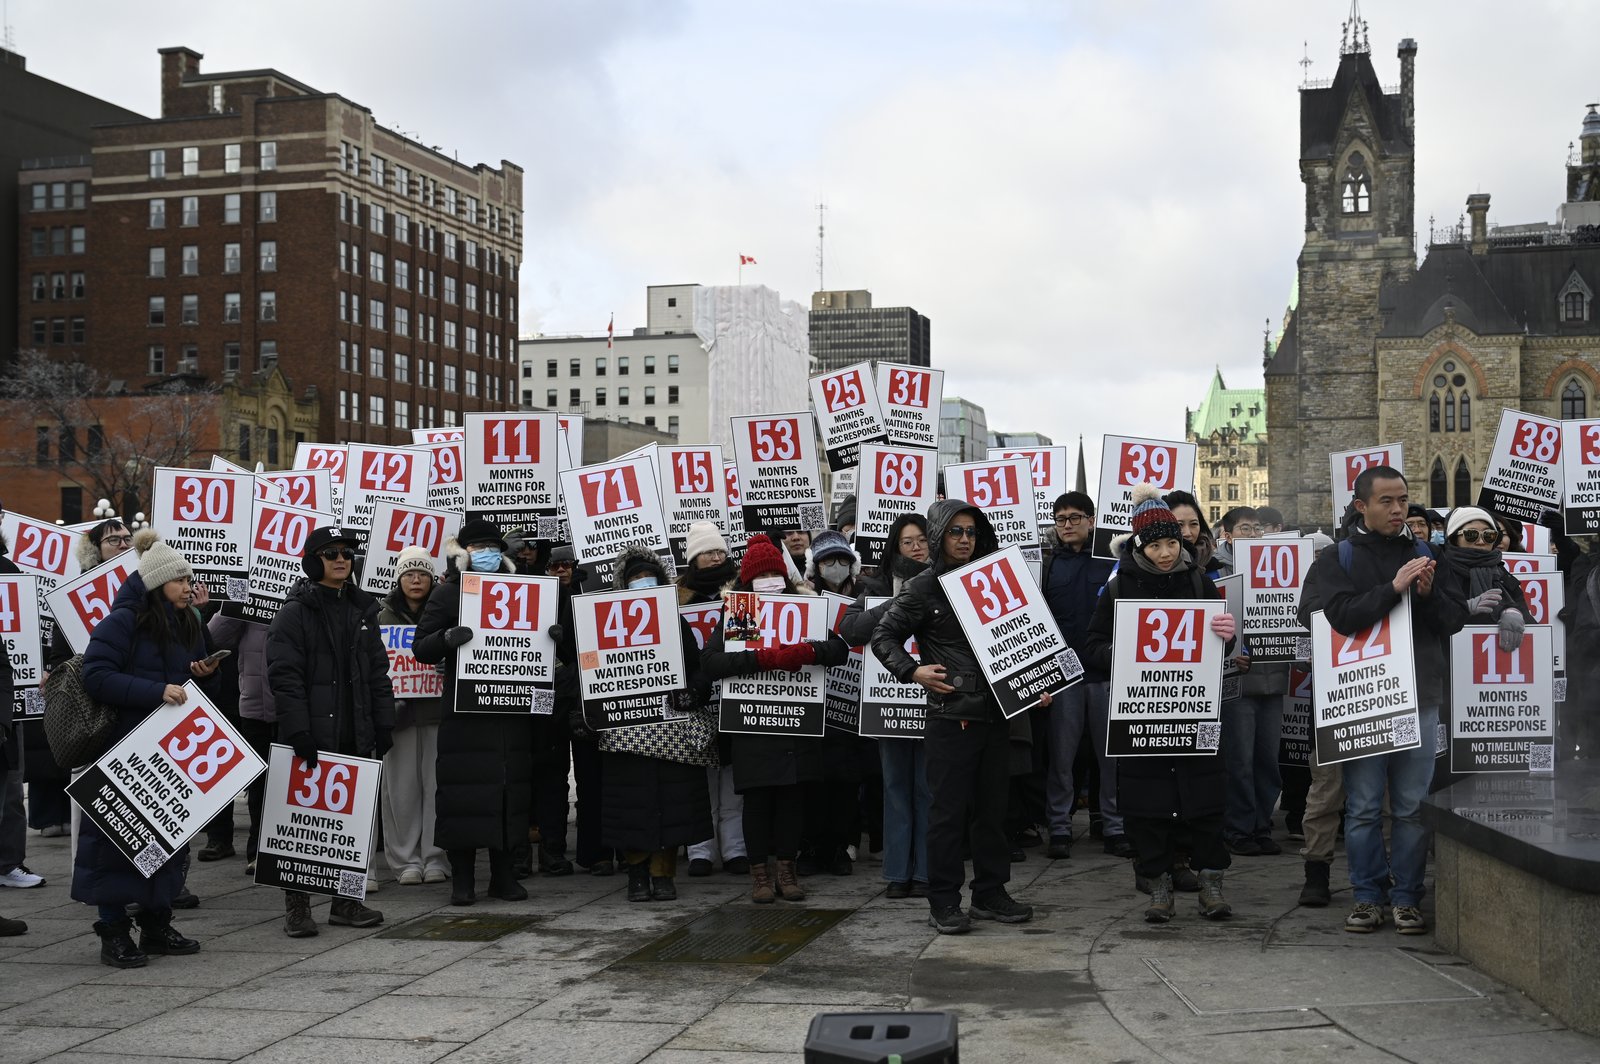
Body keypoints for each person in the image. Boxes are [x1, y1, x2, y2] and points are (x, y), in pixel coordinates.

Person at [1297, 466, 1468, 935]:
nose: (1398, 510)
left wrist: (1429, 595)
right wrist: (1393, 589)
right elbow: (1335, 619)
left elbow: (1454, 620)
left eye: (1403, 501)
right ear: (1361, 507)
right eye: (1387, 502)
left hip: (1421, 697)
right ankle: (1368, 896)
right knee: (1366, 805)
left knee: (1412, 806)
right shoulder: (1339, 559)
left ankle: (1407, 898)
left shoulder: (1429, 553)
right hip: (1364, 699)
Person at [872, 500, 1051, 934]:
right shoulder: (921, 588)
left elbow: (1024, 636)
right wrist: (912, 670)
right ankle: (944, 902)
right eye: (956, 532)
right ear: (938, 537)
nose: (965, 539)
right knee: (948, 815)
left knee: (993, 812)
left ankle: (990, 893)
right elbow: (882, 636)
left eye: (971, 531)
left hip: (999, 712)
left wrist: (1038, 679)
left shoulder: (996, 578)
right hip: (952, 717)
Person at [1083, 486, 1238, 923]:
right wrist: (1123, 655)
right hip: (1141, 712)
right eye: (1156, 544)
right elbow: (1092, 646)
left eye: (1172, 542)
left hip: (1194, 709)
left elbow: (1221, 651)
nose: (1166, 552)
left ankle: (1211, 883)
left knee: (1205, 797)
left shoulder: (1198, 581)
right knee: (1146, 803)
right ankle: (1160, 887)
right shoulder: (1118, 587)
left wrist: (1226, 636)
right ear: (1140, 546)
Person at [76, 530, 215, 966]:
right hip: (124, 752)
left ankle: (157, 925)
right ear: (157, 584)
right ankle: (113, 933)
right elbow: (95, 676)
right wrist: (157, 690)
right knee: (115, 845)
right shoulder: (120, 622)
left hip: (164, 751)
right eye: (179, 580)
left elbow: (179, 683)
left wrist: (200, 672)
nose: (188, 586)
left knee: (165, 844)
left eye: (189, 578)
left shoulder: (184, 622)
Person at [700, 535, 847, 903]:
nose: (769, 581)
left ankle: (786, 870)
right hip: (754, 724)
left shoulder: (803, 607)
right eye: (760, 576)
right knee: (758, 803)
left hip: (795, 722)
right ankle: (760, 876)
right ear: (748, 581)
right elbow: (712, 662)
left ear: (785, 576)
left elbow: (838, 649)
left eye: (774, 574)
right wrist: (761, 658)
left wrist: (807, 650)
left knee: (792, 803)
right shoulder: (742, 612)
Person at [265, 526, 393, 937]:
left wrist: (383, 723)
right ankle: (297, 908)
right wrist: (299, 730)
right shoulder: (294, 613)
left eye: (347, 553)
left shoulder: (364, 610)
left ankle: (346, 902)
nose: (341, 559)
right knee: (301, 825)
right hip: (311, 734)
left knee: (352, 822)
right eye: (331, 552)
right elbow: (285, 679)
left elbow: (378, 674)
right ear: (312, 560)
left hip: (355, 732)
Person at [412, 520, 534, 906]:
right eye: (478, 545)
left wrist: (550, 636)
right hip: (464, 714)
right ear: (462, 551)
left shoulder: (524, 592)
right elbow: (422, 647)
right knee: (463, 797)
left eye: (493, 546)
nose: (487, 552)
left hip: (509, 714)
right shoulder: (447, 593)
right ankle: (462, 879)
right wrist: (447, 638)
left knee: (506, 796)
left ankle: (503, 876)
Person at [589, 545, 713, 902]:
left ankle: (664, 873)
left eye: (649, 579)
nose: (643, 585)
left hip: (671, 729)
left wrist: (693, 693)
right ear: (622, 587)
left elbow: (697, 670)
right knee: (631, 804)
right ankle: (637, 872)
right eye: (635, 580)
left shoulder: (676, 621)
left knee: (670, 802)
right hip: (625, 730)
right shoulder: (605, 623)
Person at [840, 513, 932, 898]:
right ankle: (897, 872)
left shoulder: (948, 579)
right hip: (889, 702)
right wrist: (897, 604)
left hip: (934, 699)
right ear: (895, 547)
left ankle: (926, 871)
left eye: (922, 540)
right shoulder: (876, 585)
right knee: (895, 787)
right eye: (908, 542)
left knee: (928, 788)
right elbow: (850, 628)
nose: (917, 547)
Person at [1039, 491, 1127, 861]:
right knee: (1061, 757)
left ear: (1091, 520)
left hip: (1106, 673)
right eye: (1061, 519)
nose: (1068, 525)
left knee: (1111, 757)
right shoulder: (1046, 566)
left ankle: (1114, 826)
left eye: (1075, 517)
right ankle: (1058, 826)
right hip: (1063, 678)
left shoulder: (1113, 562)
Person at [534, 544, 611, 877]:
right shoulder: (536, 595)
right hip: (549, 697)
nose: (561, 570)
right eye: (555, 565)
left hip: (586, 694)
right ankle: (552, 850)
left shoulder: (592, 590)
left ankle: (595, 852)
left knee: (591, 776)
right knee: (551, 777)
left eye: (567, 564)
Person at [799, 529, 872, 876]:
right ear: (815, 567)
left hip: (853, 706)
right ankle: (811, 847)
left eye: (843, 559)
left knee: (846, 780)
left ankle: (841, 846)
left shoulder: (867, 596)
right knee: (812, 782)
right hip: (815, 705)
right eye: (828, 560)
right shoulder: (801, 600)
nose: (836, 566)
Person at [679, 522, 748, 878]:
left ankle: (736, 849)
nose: (716, 556)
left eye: (720, 551)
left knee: (732, 782)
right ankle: (700, 851)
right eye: (708, 552)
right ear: (694, 558)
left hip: (732, 694)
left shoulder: (740, 595)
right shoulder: (676, 599)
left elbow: (744, 646)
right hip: (695, 699)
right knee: (701, 782)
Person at [1216, 509, 1286, 858]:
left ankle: (1261, 825)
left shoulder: (1280, 568)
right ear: (1227, 536)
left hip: (1274, 679)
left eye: (1258, 529)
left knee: (1267, 760)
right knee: (1239, 760)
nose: (1254, 534)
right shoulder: (1216, 573)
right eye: (1245, 529)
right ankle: (1238, 828)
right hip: (1237, 681)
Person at [377, 546, 449, 885]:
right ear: (399, 579)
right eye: (408, 573)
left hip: (437, 712)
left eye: (421, 573)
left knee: (437, 786)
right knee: (400, 789)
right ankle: (405, 860)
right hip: (399, 715)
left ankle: (436, 856)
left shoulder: (446, 611)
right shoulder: (381, 617)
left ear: (432, 578)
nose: (415, 579)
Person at [206, 598, 278, 878]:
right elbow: (212, 639)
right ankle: (258, 852)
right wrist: (235, 603)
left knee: (291, 782)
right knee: (259, 786)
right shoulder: (250, 600)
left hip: (295, 705)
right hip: (255, 707)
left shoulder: (305, 594)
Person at [1165, 490, 1222, 578]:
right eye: (1179, 525)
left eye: (1194, 524)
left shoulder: (1213, 567)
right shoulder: (1151, 566)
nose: (1187, 533)